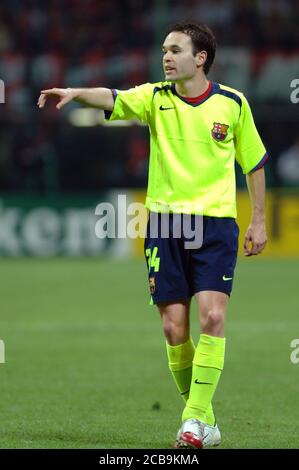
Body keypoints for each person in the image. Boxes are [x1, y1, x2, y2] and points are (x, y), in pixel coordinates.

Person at [37, 22, 268, 449]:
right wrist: (74, 93)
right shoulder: (154, 98)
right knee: (173, 328)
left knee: (213, 318)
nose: (166, 56)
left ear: (200, 58)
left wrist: (258, 220)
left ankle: (192, 422)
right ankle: (206, 420)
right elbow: (113, 97)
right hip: (163, 225)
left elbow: (253, 163)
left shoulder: (233, 104)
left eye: (176, 49)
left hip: (215, 224)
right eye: (164, 49)